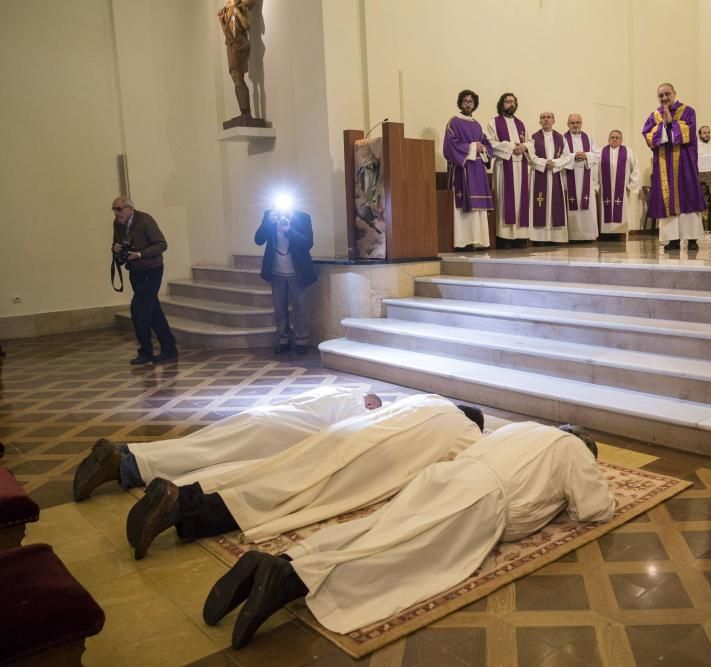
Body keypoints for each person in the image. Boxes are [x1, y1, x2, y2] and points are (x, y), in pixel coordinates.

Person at [202, 422, 615, 648]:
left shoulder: (522, 428)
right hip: (482, 499)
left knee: (375, 528)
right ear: (585, 444)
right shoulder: (572, 449)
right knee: (399, 555)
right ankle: (288, 581)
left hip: (444, 477)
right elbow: (595, 509)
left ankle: (286, 560)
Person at [125, 395, 485, 560]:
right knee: (283, 497)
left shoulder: (429, 400)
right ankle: (182, 508)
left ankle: (182, 494)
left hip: (349, 433)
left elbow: (379, 404)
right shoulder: (468, 433)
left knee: (276, 473)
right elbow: (453, 472)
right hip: (370, 462)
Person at [72, 386, 382, 502]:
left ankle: (127, 451)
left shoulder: (341, 390)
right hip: (273, 431)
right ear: (370, 405)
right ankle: (124, 464)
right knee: (206, 453)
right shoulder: (357, 408)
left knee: (199, 444)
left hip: (264, 416)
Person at [111, 196, 177, 366]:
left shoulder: (144, 219)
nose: (116, 213)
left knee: (138, 309)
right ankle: (169, 349)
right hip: (135, 271)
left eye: (119, 209)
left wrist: (139, 254)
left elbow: (162, 244)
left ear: (129, 208)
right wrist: (116, 248)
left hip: (152, 269)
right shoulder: (117, 224)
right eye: (114, 209)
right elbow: (118, 244)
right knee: (154, 312)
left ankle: (146, 352)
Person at [642, 83, 705, 251]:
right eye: (661, 96)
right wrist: (663, 125)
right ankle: (672, 239)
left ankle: (692, 238)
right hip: (664, 163)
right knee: (666, 199)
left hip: (684, 163)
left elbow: (689, 133)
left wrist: (671, 123)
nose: (664, 98)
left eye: (667, 94)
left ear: (674, 93)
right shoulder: (655, 116)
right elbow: (648, 136)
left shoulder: (688, 111)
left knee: (688, 195)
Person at [254, 206, 316, 355]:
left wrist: (289, 230)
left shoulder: (303, 217)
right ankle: (283, 340)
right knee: (279, 309)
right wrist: (267, 223)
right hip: (276, 271)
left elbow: (308, 243)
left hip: (297, 272)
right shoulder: (270, 215)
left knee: (300, 308)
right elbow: (258, 240)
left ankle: (302, 341)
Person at [444, 90, 494, 251]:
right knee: (465, 206)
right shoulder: (454, 122)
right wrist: (473, 147)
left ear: (475, 104)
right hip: (463, 169)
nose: (468, 104)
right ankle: (463, 241)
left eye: (471, 101)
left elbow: (487, 145)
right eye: (465, 101)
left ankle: (479, 241)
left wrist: (483, 148)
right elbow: (450, 146)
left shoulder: (477, 124)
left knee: (479, 208)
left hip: (477, 170)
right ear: (460, 103)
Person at [486, 93, 531, 248]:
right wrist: (512, 147)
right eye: (507, 101)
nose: (510, 104)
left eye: (513, 102)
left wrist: (524, 147)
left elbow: (531, 142)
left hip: (521, 167)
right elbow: (490, 143)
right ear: (501, 104)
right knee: (504, 201)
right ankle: (504, 238)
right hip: (504, 167)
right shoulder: (493, 122)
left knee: (520, 201)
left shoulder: (522, 124)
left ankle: (520, 237)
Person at [528, 111, 573, 244]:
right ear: (539, 121)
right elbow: (530, 156)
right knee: (539, 203)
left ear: (554, 120)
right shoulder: (533, 137)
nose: (546, 120)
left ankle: (555, 237)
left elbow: (566, 156)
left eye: (549, 117)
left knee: (555, 204)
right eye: (543, 118)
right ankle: (539, 238)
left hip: (555, 174)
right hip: (539, 175)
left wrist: (554, 163)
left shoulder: (560, 138)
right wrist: (544, 163)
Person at [217, 0, 255, 123]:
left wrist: (236, 10)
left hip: (240, 45)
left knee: (238, 77)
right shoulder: (228, 10)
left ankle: (246, 112)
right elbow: (228, 33)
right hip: (231, 46)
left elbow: (247, 25)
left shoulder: (241, 8)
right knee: (235, 78)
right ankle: (243, 111)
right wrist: (222, 22)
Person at [563, 114, 599, 242]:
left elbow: (597, 154)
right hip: (569, 176)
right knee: (572, 204)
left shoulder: (588, 138)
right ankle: (572, 236)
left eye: (578, 122)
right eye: (572, 123)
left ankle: (587, 235)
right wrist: (574, 156)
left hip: (586, 176)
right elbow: (561, 157)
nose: (575, 125)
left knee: (586, 206)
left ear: (581, 123)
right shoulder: (563, 139)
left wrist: (586, 155)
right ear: (568, 124)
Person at [597, 130, 640, 235]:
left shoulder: (628, 152)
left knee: (622, 211)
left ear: (621, 140)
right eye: (612, 137)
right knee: (605, 210)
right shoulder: (600, 152)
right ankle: (606, 233)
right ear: (608, 139)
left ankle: (620, 233)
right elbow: (594, 170)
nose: (614, 139)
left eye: (617, 137)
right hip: (605, 190)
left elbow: (636, 169)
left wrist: (631, 185)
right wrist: (596, 185)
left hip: (622, 190)